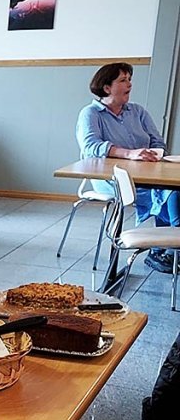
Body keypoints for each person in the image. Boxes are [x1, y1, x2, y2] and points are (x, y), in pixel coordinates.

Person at [76, 61, 179, 273]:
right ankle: (168, 251)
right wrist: (130, 153)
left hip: (148, 175)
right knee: (170, 194)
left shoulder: (138, 111)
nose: (130, 84)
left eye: (130, 79)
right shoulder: (91, 113)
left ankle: (166, 250)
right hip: (111, 179)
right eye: (123, 80)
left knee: (174, 191)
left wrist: (155, 154)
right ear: (107, 87)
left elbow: (158, 142)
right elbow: (91, 146)